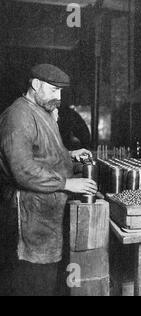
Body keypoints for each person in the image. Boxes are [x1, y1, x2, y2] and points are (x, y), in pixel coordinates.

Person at [0, 64, 98, 296]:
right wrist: (67, 183)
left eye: (61, 91)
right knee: (33, 283)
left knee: (47, 280)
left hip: (46, 215)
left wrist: (69, 156)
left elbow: (44, 154)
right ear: (35, 85)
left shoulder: (40, 111)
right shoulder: (19, 116)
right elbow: (23, 170)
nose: (59, 97)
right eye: (54, 90)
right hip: (30, 216)